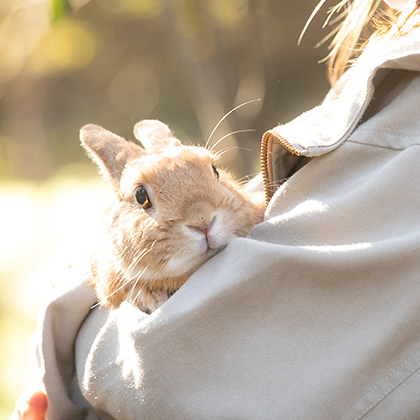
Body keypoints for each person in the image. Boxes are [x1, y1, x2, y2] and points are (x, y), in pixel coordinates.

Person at [13, 0, 420, 418]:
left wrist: (66, 336)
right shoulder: (376, 77)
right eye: (143, 198)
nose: (203, 218)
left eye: (211, 171)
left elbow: (161, 376)